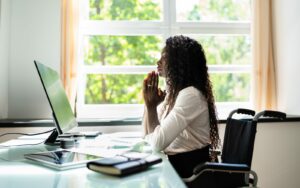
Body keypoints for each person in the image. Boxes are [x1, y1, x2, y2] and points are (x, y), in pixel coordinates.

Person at [142, 35, 220, 178]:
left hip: (190, 175)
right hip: (176, 169)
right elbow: (148, 137)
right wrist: (149, 105)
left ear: (180, 63)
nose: (158, 62)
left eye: (164, 57)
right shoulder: (175, 93)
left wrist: (151, 107)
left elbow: (156, 143)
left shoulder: (190, 95)